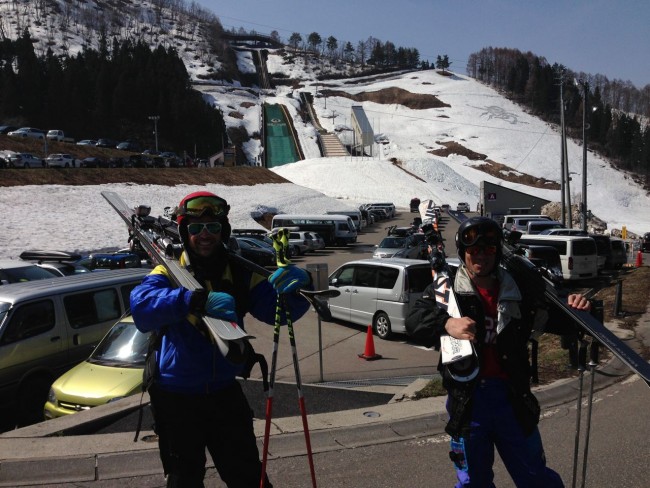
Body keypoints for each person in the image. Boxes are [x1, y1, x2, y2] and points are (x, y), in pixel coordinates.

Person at [130, 191, 312, 488]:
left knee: (247, 477)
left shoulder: (238, 272)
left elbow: (279, 314)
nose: (205, 235)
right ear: (184, 230)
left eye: (213, 227)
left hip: (223, 392)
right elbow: (142, 308)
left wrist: (295, 289)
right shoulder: (170, 271)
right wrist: (192, 300)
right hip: (176, 396)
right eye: (196, 228)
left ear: (223, 231)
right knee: (184, 480)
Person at [406, 216, 591, 487]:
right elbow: (414, 319)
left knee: (535, 478)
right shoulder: (447, 290)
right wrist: (447, 322)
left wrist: (576, 308)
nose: (480, 256)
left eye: (488, 250)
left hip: (511, 399)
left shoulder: (519, 289)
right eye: (473, 251)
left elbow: (557, 319)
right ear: (463, 252)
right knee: (473, 482)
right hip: (468, 404)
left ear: (497, 252)